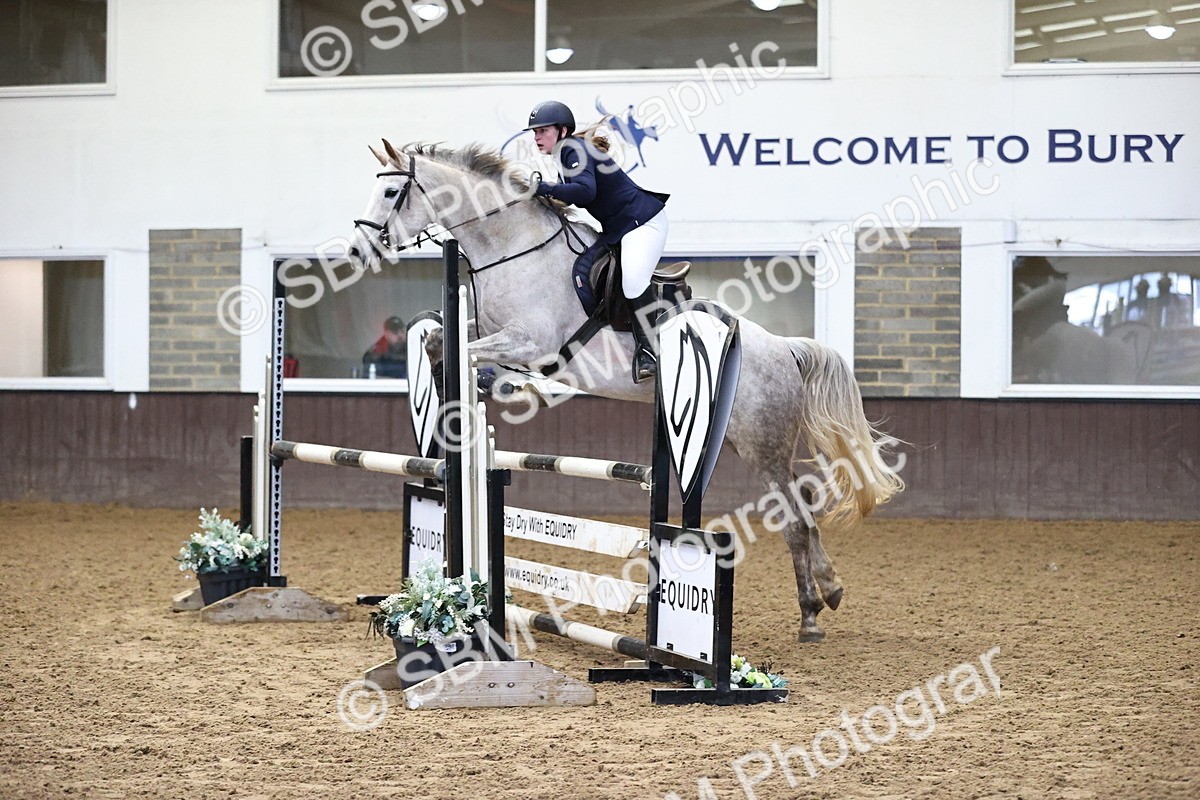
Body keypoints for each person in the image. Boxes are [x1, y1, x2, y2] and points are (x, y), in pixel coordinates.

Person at [526, 100, 669, 383]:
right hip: (620, 228)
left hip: (643, 224)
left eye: (543, 131)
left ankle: (650, 353)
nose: (537, 137)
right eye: (535, 132)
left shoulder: (573, 149)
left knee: (633, 281)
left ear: (562, 130)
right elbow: (572, 194)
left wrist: (545, 188)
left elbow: (585, 192)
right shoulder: (565, 153)